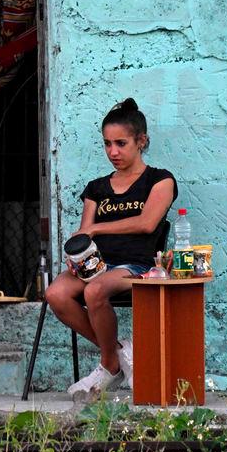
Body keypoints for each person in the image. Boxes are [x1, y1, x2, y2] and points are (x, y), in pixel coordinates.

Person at [45, 98, 177, 395]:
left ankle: (108, 364)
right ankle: (120, 355)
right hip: (96, 265)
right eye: (107, 144)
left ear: (141, 141)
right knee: (55, 293)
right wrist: (75, 255)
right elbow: (83, 235)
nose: (113, 152)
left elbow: (147, 223)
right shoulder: (97, 187)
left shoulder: (160, 180)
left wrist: (96, 228)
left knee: (94, 291)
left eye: (121, 143)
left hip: (138, 264)